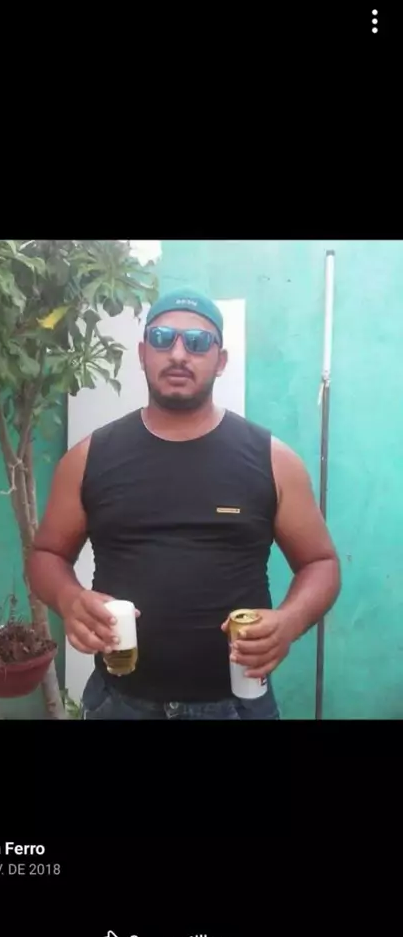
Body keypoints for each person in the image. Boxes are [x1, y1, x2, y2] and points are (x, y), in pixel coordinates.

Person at [28, 288, 341, 720]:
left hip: (236, 704)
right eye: (162, 339)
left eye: (196, 342)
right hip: (119, 703)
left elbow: (321, 563)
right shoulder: (88, 458)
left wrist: (290, 621)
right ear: (143, 353)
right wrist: (68, 597)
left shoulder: (272, 460)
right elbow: (46, 555)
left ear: (220, 360)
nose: (178, 354)